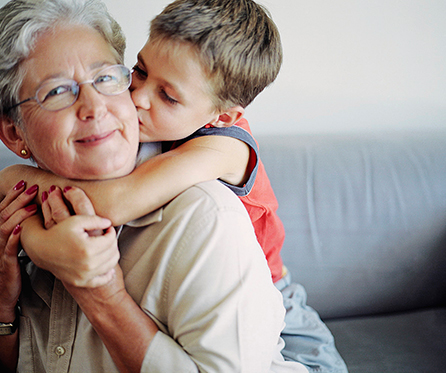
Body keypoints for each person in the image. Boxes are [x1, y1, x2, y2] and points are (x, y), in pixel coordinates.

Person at [0, 0, 347, 371]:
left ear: (223, 115)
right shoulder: (154, 130)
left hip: (292, 328)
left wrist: (37, 237)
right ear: (12, 131)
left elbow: (117, 202)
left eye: (167, 95)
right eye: (138, 72)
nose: (136, 98)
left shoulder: (224, 151)